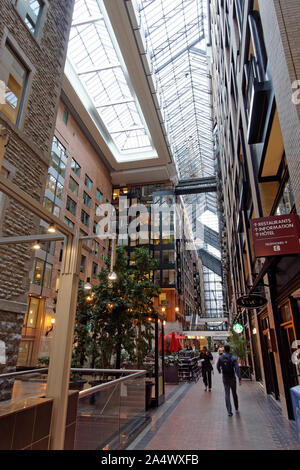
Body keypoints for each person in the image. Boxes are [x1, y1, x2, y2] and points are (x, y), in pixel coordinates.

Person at [217, 344, 242, 416]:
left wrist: (219, 371)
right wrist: (239, 377)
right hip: (232, 377)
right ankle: (236, 407)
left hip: (225, 377)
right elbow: (237, 368)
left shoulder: (221, 357)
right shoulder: (233, 358)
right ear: (229, 349)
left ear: (224, 350)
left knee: (227, 393)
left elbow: (217, 366)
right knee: (234, 392)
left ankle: (229, 411)